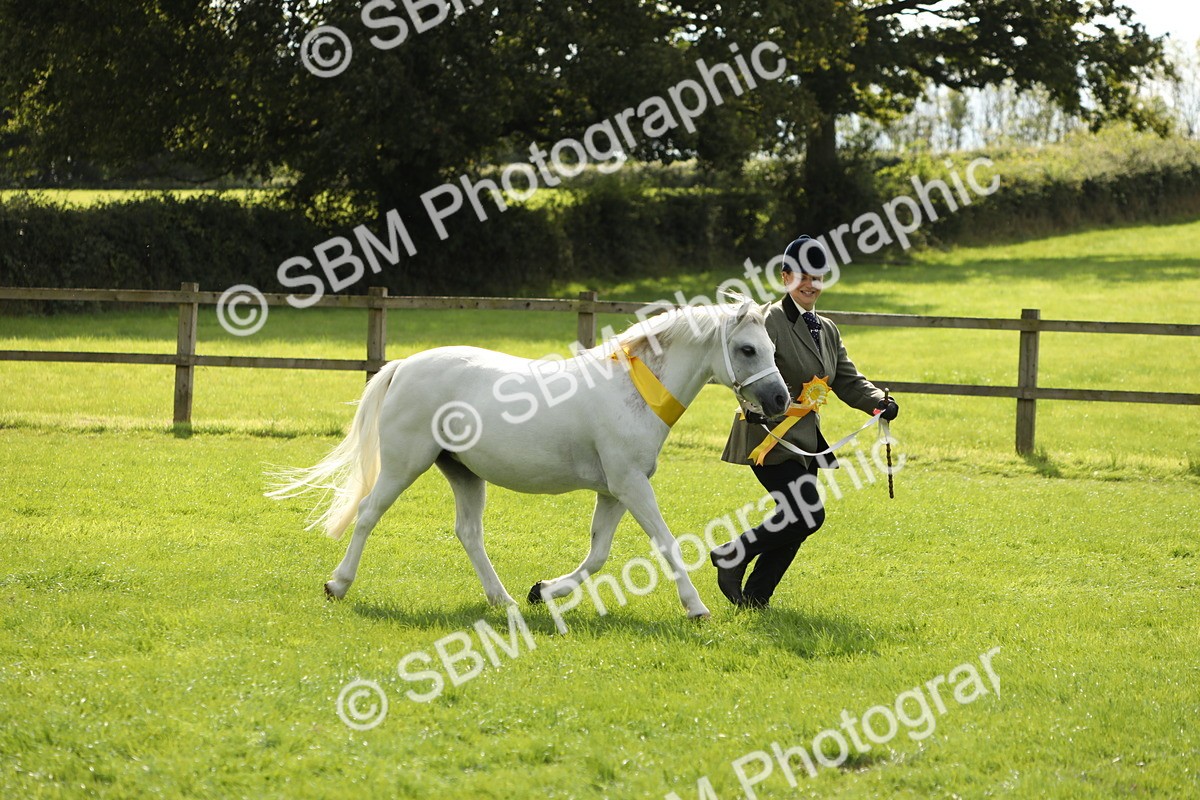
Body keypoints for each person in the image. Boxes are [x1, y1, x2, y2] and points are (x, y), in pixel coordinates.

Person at [710, 235, 899, 608]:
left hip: (806, 442)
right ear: (785, 277)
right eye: (801, 276)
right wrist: (754, 407)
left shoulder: (827, 329)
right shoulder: (766, 321)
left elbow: (847, 380)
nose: (810, 284)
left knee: (796, 520)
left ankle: (756, 597)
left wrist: (878, 401)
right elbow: (742, 369)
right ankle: (733, 554)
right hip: (767, 437)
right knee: (807, 514)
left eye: (817, 277)